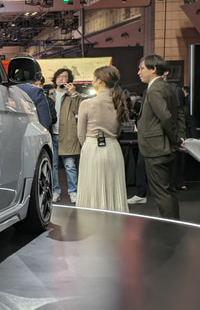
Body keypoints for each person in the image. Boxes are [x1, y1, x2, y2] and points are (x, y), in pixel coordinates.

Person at [136, 54, 183, 220]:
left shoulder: (154, 89)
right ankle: (173, 224)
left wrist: (176, 139)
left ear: (153, 69)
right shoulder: (167, 87)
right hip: (165, 147)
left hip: (156, 149)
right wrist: (179, 138)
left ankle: (170, 226)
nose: (139, 72)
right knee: (168, 191)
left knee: (161, 192)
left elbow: (166, 117)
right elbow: (178, 113)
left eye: (142, 68)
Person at [75, 66, 129, 212]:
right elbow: (118, 131)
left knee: (92, 190)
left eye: (94, 77)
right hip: (113, 149)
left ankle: (92, 222)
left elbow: (81, 134)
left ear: (100, 80)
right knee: (113, 191)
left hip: (92, 149)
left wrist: (88, 146)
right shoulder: (119, 103)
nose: (92, 80)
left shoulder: (86, 104)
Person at [49, 68, 83, 203]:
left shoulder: (72, 95)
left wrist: (73, 93)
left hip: (68, 134)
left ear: (69, 80)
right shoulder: (49, 94)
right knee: (53, 165)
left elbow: (79, 110)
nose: (61, 79)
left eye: (64, 77)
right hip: (52, 133)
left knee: (70, 165)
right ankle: (55, 191)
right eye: (59, 77)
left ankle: (73, 191)